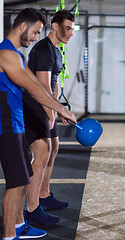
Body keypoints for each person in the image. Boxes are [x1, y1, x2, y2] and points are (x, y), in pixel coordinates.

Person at [0, 8, 76, 240]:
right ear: (23, 26)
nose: (35, 38)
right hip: (6, 126)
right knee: (15, 183)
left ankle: (20, 224)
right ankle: (10, 234)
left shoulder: (19, 55)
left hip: (17, 123)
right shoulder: (6, 54)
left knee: (23, 178)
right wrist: (60, 109)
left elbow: (37, 84)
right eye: (34, 32)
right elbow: (33, 88)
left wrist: (57, 106)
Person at [22, 10, 75, 226]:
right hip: (34, 108)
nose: (71, 33)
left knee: (53, 148)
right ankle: (32, 209)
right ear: (55, 26)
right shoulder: (43, 49)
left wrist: (59, 108)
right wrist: (53, 114)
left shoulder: (56, 50)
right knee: (42, 153)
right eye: (68, 28)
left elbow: (55, 84)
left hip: (47, 107)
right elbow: (42, 88)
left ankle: (44, 195)